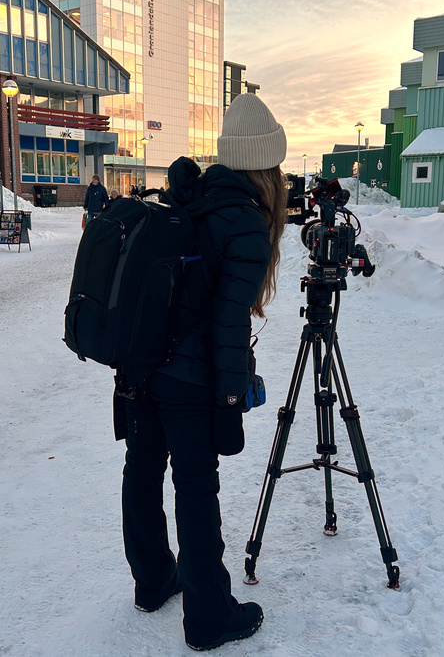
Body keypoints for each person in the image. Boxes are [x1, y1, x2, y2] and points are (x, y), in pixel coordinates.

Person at [118, 93, 287, 651]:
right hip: (188, 379)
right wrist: (231, 397)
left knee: (143, 469)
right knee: (195, 486)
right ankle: (209, 616)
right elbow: (228, 319)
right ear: (267, 166)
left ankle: (152, 581)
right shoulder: (244, 220)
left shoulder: (186, 198)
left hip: (141, 365)